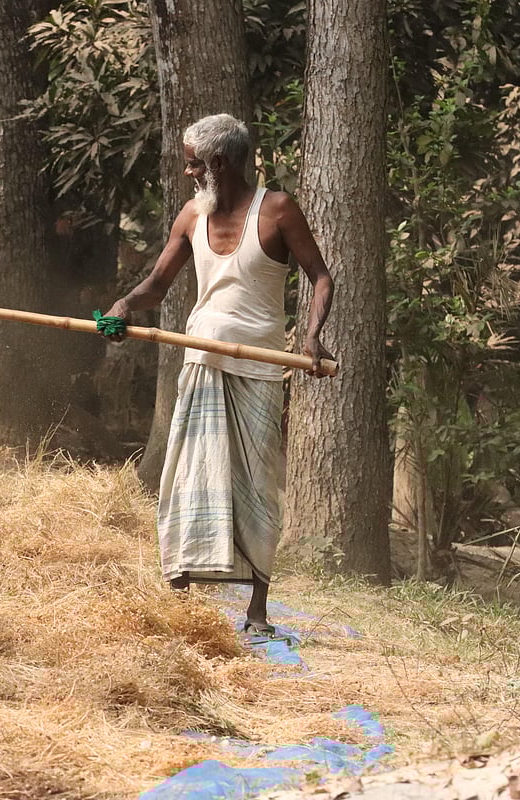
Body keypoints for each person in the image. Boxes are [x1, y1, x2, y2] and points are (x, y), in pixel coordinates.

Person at [101, 113, 334, 637]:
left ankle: (257, 610)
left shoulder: (277, 210)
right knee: (186, 476)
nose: (188, 173)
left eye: (192, 164)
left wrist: (311, 336)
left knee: (255, 484)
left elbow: (320, 277)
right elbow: (155, 287)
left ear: (219, 163)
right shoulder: (191, 215)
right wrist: (122, 306)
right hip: (201, 360)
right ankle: (177, 595)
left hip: (258, 365)